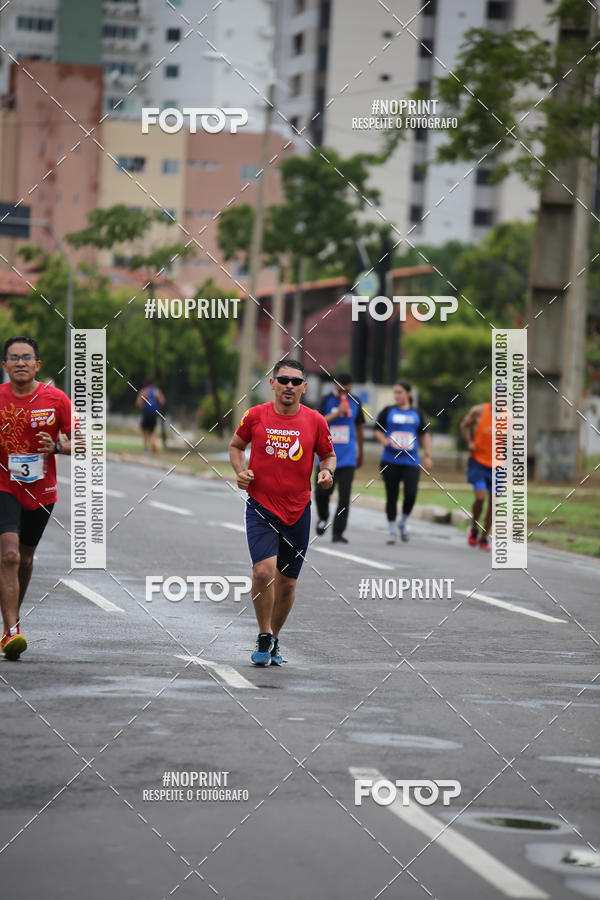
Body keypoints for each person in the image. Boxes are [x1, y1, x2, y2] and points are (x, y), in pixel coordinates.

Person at [229, 359, 335, 666]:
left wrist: (327, 473)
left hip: (298, 510)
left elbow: (327, 455)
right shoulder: (256, 415)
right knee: (263, 571)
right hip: (261, 505)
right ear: (272, 384)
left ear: (304, 387)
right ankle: (263, 634)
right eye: (283, 379)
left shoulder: (315, 420)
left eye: (295, 381)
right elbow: (236, 446)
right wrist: (241, 471)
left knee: (287, 582)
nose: (289, 385)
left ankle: (274, 637)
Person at [0, 337, 72, 660]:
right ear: (4, 366)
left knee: (25, 560)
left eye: (26, 357)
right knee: (10, 555)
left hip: (42, 490)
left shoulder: (56, 399)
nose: (20, 362)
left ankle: (9, 620)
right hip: (4, 486)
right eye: (13, 358)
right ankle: (12, 631)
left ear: (38, 365)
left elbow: (83, 442)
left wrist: (56, 446)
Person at [374, 380, 432, 545]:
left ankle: (403, 521)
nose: (396, 395)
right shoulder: (388, 411)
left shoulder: (417, 413)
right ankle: (392, 530)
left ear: (408, 394)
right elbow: (377, 430)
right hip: (390, 460)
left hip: (411, 460)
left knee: (411, 494)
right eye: (395, 392)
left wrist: (428, 455)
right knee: (391, 496)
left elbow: (425, 434)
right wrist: (384, 440)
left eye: (400, 392)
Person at [314, 372, 365, 543]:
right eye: (341, 388)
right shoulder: (326, 400)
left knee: (344, 497)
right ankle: (323, 517)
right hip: (326, 456)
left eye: (347, 389)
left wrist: (361, 451)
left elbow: (359, 428)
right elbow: (318, 422)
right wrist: (337, 413)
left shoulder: (356, 401)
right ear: (335, 385)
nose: (344, 392)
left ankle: (338, 533)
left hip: (348, 457)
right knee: (322, 492)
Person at [460, 400, 494, 551]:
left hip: (498, 466)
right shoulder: (479, 411)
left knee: (495, 504)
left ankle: (484, 537)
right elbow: (464, 425)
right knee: (480, 498)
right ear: (491, 396)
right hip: (478, 463)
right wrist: (469, 442)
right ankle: (474, 528)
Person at [135, 379, 165, 453]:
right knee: (152, 431)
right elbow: (162, 401)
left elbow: (138, 403)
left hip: (146, 413)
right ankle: (153, 443)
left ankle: (146, 449)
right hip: (154, 413)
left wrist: (143, 405)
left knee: (144, 430)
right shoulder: (157, 391)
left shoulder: (144, 391)